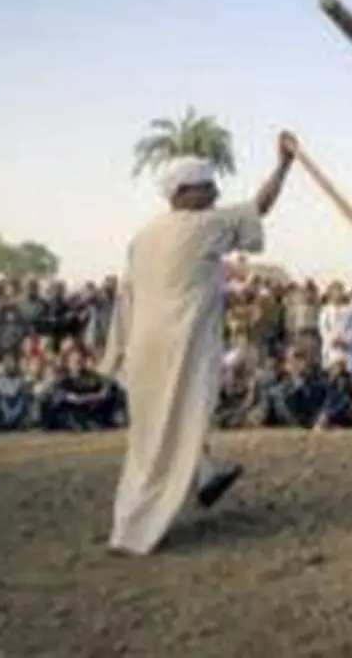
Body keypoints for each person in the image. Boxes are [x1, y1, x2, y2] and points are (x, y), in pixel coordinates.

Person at [102, 131, 297, 556]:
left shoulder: (143, 236)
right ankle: (139, 528)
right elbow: (260, 206)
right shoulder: (205, 225)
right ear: (183, 192)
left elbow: (126, 297)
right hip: (181, 348)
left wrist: (117, 353)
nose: (215, 192)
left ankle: (203, 476)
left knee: (156, 432)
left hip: (144, 350)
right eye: (207, 186)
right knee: (175, 426)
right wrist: (283, 166)